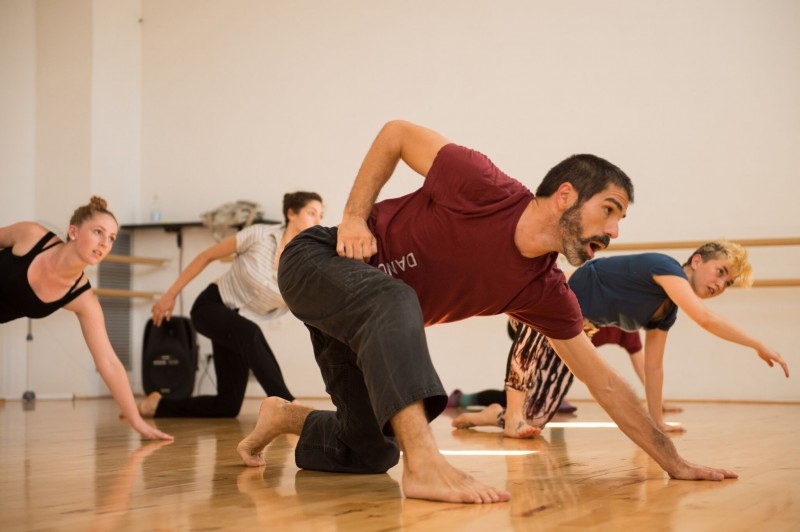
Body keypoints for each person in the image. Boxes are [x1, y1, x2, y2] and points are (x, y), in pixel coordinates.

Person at [235, 119, 739, 506]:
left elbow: (606, 384)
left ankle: (284, 415)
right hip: (318, 261)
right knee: (396, 297)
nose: (615, 231)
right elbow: (396, 134)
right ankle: (426, 463)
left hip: (355, 323)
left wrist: (673, 461)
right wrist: (352, 217)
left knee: (371, 450)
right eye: (609, 208)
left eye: (621, 218)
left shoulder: (544, 290)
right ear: (566, 195)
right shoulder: (482, 184)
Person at [452, 242, 790, 438]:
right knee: (541, 326)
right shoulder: (665, 267)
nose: (720, 285)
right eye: (720, 272)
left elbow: (654, 368)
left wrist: (656, 421)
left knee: (537, 419)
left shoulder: (665, 312)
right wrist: (756, 343)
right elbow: (704, 317)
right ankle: (511, 416)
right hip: (544, 302)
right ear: (697, 260)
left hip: (573, 330)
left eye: (728, 284)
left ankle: (491, 414)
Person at [0, 196, 172, 441]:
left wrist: (136, 420)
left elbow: (109, 363)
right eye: (98, 232)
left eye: (111, 238)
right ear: (73, 231)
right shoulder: (31, 235)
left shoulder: (82, 299)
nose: (104, 243)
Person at [140, 192, 323, 418]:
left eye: (321, 216)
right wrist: (171, 294)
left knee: (226, 406)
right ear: (291, 214)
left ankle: (158, 405)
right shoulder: (260, 235)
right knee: (250, 333)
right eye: (312, 213)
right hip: (211, 307)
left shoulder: (306, 264)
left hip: (236, 327)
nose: (318, 221)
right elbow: (206, 256)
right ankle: (287, 406)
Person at [447, 325, 644, 414]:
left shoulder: (628, 329)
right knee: (519, 398)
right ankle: (462, 399)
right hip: (529, 326)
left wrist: (656, 402)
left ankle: (462, 398)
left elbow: (642, 365)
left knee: (534, 400)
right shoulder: (590, 302)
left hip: (558, 346)